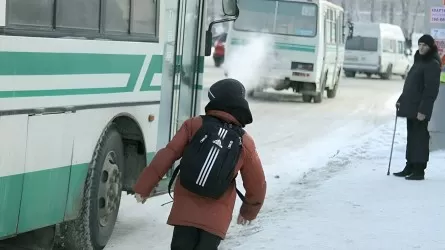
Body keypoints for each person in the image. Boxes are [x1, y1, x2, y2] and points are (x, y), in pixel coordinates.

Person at [132, 78, 267, 249]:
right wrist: (248, 211)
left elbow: (168, 154)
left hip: (185, 211)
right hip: (216, 218)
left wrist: (144, 186)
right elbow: (257, 184)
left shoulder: (195, 124)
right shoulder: (245, 142)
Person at [394, 34, 441, 180]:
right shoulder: (419, 61)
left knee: (420, 138)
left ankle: (419, 170)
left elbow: (431, 90)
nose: (421, 47)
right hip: (411, 106)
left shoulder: (432, 64)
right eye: (420, 44)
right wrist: (401, 99)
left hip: (420, 109)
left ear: (430, 47)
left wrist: (423, 110)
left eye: (425, 45)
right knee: (412, 137)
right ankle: (410, 165)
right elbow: (410, 85)